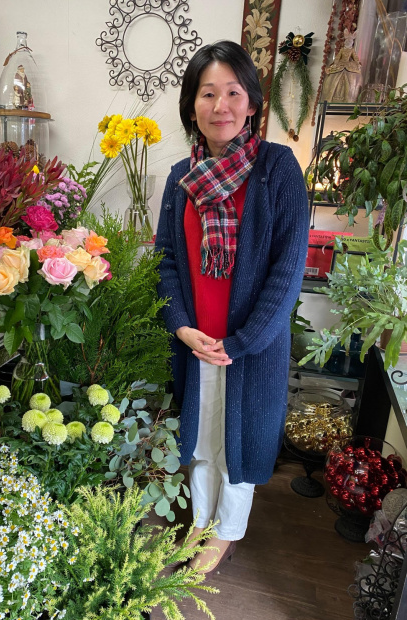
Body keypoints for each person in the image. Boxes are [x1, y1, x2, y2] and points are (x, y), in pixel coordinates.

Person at [155, 40, 309, 576]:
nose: (220, 105)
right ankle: (200, 522)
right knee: (201, 438)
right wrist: (180, 326)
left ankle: (225, 533)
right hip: (197, 339)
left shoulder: (277, 168)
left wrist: (243, 341)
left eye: (233, 92)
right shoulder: (181, 177)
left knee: (239, 446)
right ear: (191, 105)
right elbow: (166, 259)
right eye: (207, 93)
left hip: (249, 346)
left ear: (252, 103)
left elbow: (287, 270)